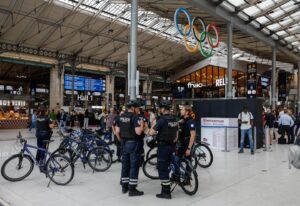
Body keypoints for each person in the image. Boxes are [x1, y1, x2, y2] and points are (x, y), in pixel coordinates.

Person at [148, 100, 178, 199]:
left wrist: (152, 124)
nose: (160, 110)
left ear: (163, 109)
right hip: (172, 147)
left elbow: (152, 132)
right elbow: (176, 135)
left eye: (160, 108)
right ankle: (167, 188)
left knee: (162, 169)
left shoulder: (161, 120)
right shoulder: (174, 119)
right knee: (169, 166)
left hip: (163, 147)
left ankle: (166, 192)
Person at [114, 101, 144, 197]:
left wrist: (121, 140)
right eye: (137, 108)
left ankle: (124, 187)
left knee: (125, 165)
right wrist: (142, 124)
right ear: (133, 108)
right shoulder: (135, 117)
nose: (138, 109)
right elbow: (138, 132)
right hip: (133, 143)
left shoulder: (120, 117)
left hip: (124, 143)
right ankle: (132, 189)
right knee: (134, 166)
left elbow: (117, 131)